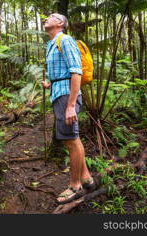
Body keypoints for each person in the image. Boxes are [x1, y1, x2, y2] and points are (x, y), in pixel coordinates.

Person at [42, 13, 95, 204]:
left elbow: (76, 72)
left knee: (71, 140)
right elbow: (64, 73)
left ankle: (75, 186)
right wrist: (50, 84)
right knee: (72, 138)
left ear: (60, 23)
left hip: (67, 97)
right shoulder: (52, 44)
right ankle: (87, 178)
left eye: (51, 17)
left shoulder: (66, 40)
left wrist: (71, 105)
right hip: (59, 92)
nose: (46, 19)